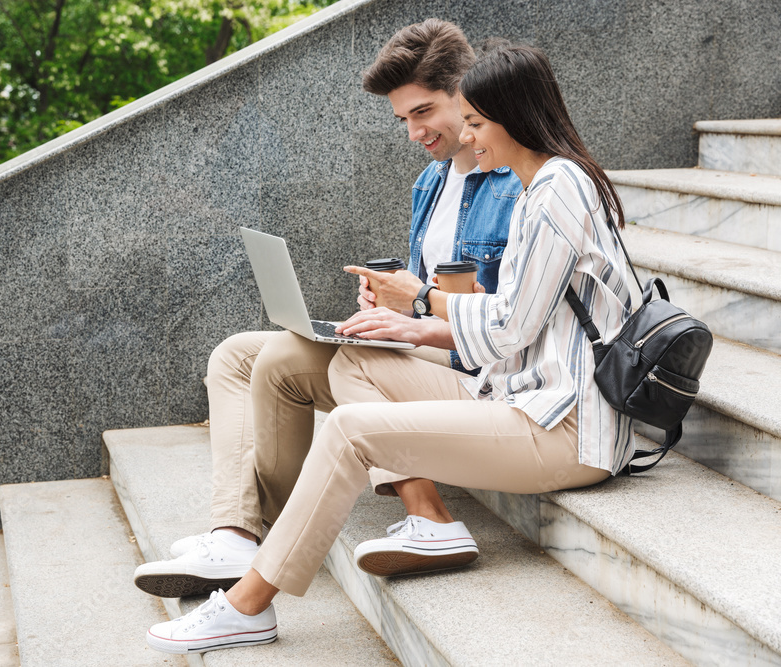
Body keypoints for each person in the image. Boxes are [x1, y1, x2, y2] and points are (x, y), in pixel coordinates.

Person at [144, 43, 636, 655]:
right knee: (342, 372)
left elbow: (509, 329)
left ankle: (247, 605)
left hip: (567, 427)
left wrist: (421, 304)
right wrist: (401, 315)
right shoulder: (541, 185)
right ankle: (250, 565)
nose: (471, 141)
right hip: (524, 396)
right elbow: (512, 322)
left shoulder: (555, 188)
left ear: (511, 116)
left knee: (350, 427)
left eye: (477, 123)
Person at [132, 19, 522, 600]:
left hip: (474, 366)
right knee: (236, 355)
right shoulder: (430, 184)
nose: (414, 131)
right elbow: (423, 291)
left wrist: (413, 308)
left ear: (466, 92)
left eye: (423, 112)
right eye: (403, 119)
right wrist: (385, 302)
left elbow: (506, 316)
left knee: (296, 359)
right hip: (424, 345)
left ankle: (421, 513)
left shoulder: (515, 182)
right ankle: (237, 530)